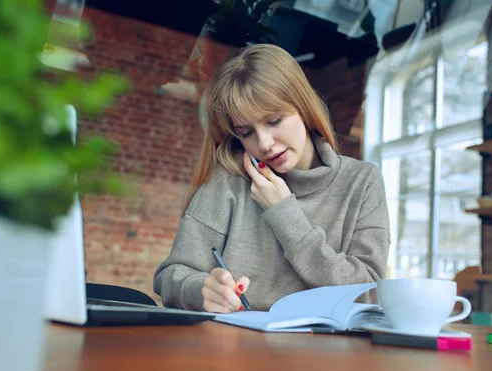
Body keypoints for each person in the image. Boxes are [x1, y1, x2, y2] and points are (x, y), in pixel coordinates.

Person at [153, 43, 390, 313]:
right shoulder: (229, 181)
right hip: (234, 349)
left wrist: (284, 214)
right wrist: (200, 290)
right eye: (246, 132)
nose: (264, 143)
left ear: (302, 106)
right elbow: (170, 276)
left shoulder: (362, 182)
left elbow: (370, 295)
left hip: (328, 351)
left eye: (274, 120)